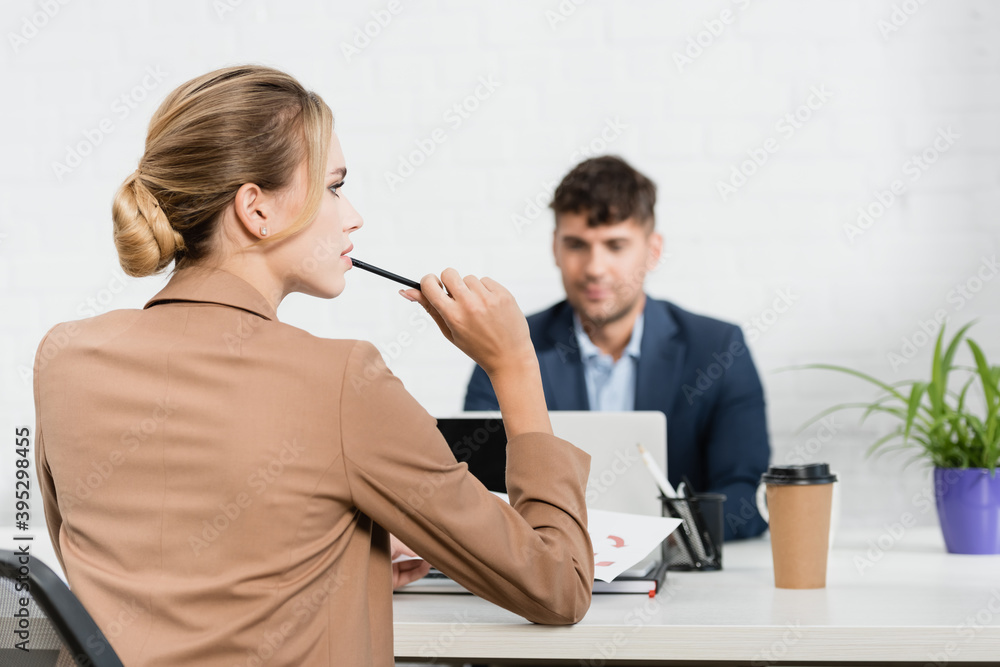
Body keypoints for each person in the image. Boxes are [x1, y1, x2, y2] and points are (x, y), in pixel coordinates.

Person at [33, 65, 593, 666]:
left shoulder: (65, 357)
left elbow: (117, 578)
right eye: (334, 187)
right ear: (257, 209)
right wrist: (513, 365)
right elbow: (558, 584)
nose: (353, 216)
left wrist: (327, 559)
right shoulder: (344, 381)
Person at [464, 156, 770, 540]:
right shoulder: (505, 347)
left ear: (653, 251)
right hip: (551, 562)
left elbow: (747, 496)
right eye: (576, 245)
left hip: (676, 565)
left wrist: (654, 539)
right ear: (555, 248)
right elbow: (478, 490)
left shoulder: (718, 349)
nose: (595, 268)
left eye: (615, 245)